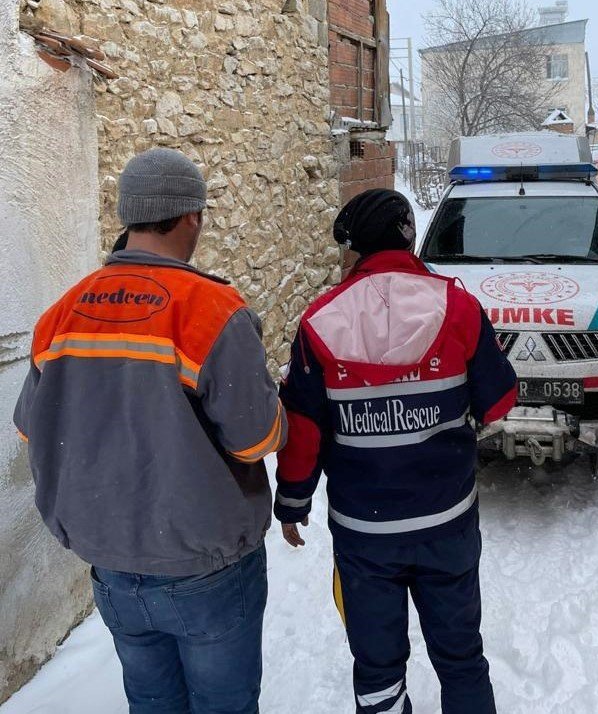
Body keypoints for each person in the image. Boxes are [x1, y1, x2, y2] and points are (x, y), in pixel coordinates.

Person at [14, 148, 285, 713]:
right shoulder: (212, 309)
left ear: (129, 216)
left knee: (153, 703)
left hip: (111, 565)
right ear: (191, 217)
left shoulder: (61, 314)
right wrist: (276, 407)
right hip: (205, 566)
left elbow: (32, 432)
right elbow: (255, 440)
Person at [274, 188, 518, 714]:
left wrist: (293, 501)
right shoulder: (458, 306)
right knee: (461, 656)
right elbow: (499, 401)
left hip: (365, 534)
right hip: (447, 521)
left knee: (377, 665)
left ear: (355, 246)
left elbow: (304, 426)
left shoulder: (320, 320)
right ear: (409, 236)